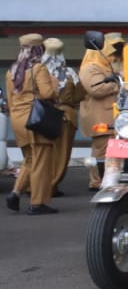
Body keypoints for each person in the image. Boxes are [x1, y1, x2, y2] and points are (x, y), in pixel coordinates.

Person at [5, 34, 59, 215]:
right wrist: (54, 83)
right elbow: (47, 93)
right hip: (37, 120)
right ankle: (38, 203)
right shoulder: (38, 68)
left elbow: (10, 101)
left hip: (18, 120)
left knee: (29, 159)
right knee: (41, 163)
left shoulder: (11, 71)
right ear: (39, 49)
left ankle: (15, 193)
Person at [79, 31, 124, 191]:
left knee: (113, 149)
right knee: (101, 149)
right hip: (99, 115)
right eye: (112, 49)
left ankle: (110, 178)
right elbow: (96, 89)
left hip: (115, 114)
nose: (115, 54)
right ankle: (96, 181)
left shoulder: (110, 65)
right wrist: (120, 83)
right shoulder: (90, 68)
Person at [41, 38, 83, 195]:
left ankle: (37, 185)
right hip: (65, 116)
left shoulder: (34, 71)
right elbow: (79, 95)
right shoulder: (69, 73)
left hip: (41, 115)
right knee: (61, 153)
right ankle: (52, 185)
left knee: (42, 152)